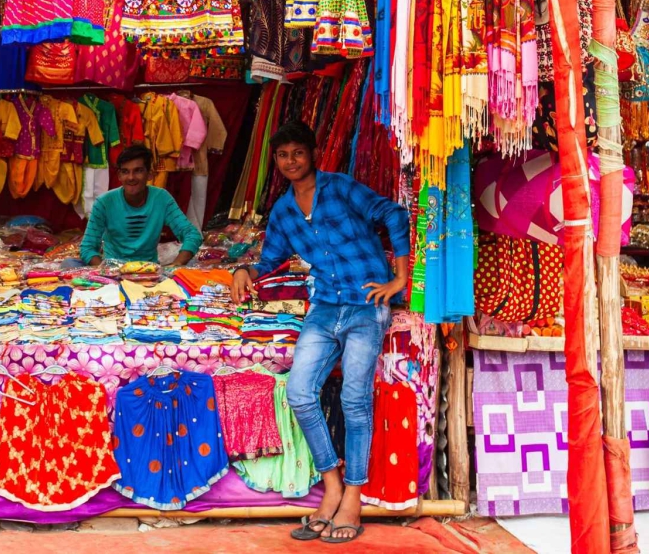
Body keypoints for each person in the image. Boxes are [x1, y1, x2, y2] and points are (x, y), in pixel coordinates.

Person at [230, 120, 411, 545]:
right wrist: (244, 269)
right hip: (326, 305)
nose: (290, 161)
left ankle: (354, 493)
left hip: (368, 304)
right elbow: (271, 258)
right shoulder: (284, 211)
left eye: (297, 152)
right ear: (275, 161)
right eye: (282, 155)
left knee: (354, 397)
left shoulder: (342, 187)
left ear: (313, 154)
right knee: (299, 392)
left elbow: (393, 213)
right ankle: (331, 483)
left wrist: (398, 279)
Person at [80, 144, 203, 266]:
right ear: (119, 176)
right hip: (113, 273)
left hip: (150, 273)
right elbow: (87, 248)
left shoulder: (162, 198)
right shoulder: (104, 203)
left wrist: (176, 264)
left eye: (138, 171)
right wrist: (106, 272)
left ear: (149, 174)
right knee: (69, 264)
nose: (131, 177)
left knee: (193, 264)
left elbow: (192, 234)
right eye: (125, 172)